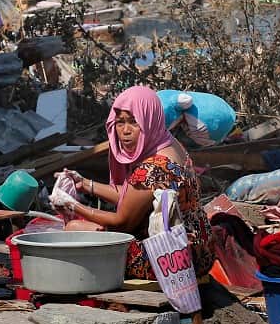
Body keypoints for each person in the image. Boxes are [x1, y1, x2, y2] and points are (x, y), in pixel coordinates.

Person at [58, 86, 215, 281]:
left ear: (149, 120)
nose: (125, 131)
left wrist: (72, 205)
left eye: (134, 122)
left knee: (74, 228)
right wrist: (86, 184)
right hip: (201, 248)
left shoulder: (152, 169)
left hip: (172, 260)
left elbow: (122, 222)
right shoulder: (170, 145)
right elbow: (132, 197)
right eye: (120, 122)